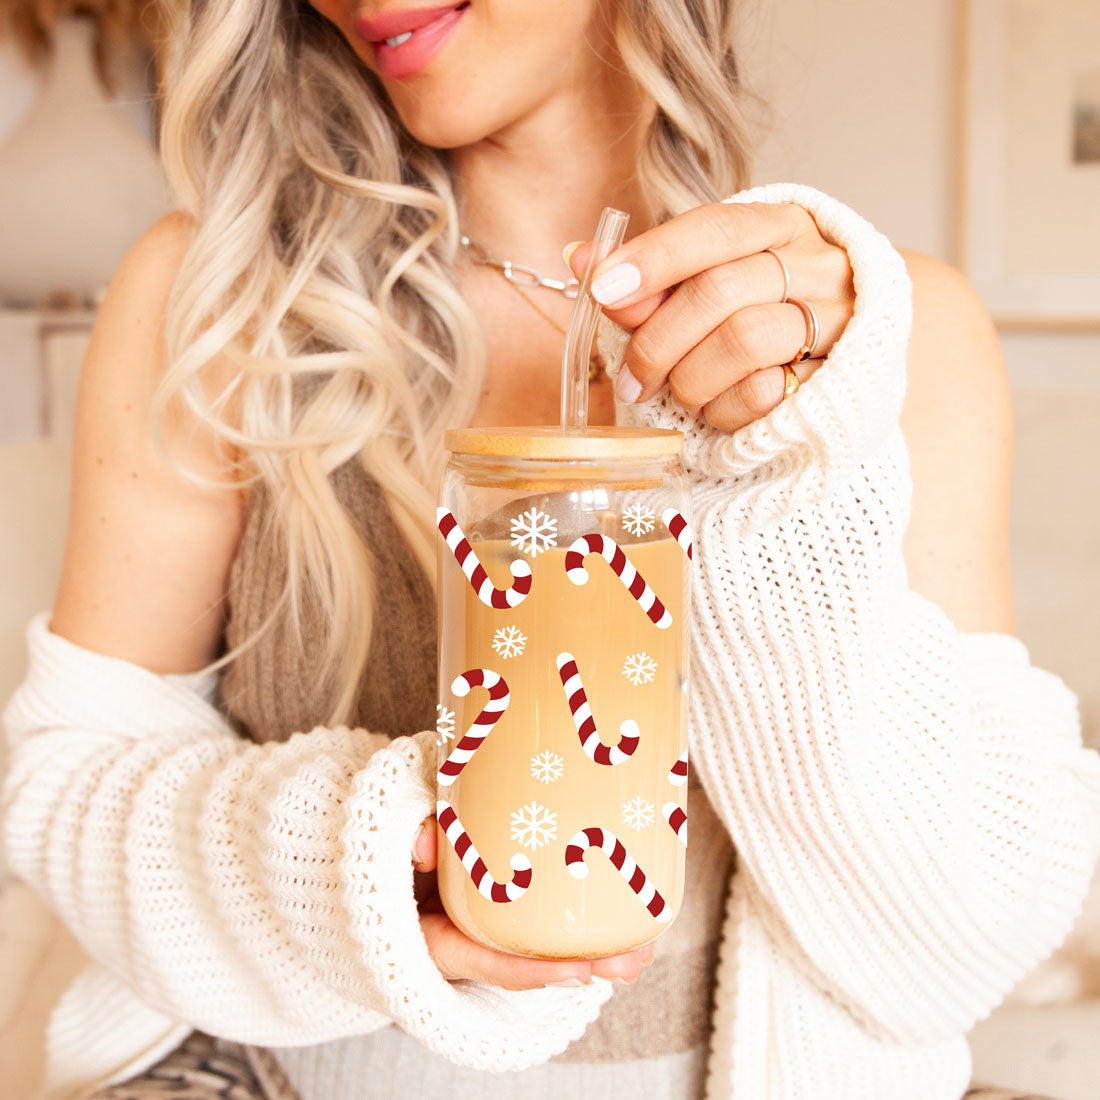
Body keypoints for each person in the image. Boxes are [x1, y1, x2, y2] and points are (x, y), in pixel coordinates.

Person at [3, 0, 1099, 1097]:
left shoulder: (879, 340)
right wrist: (354, 866)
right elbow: (64, 782)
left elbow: (952, 943)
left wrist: (784, 495)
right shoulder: (225, 301)